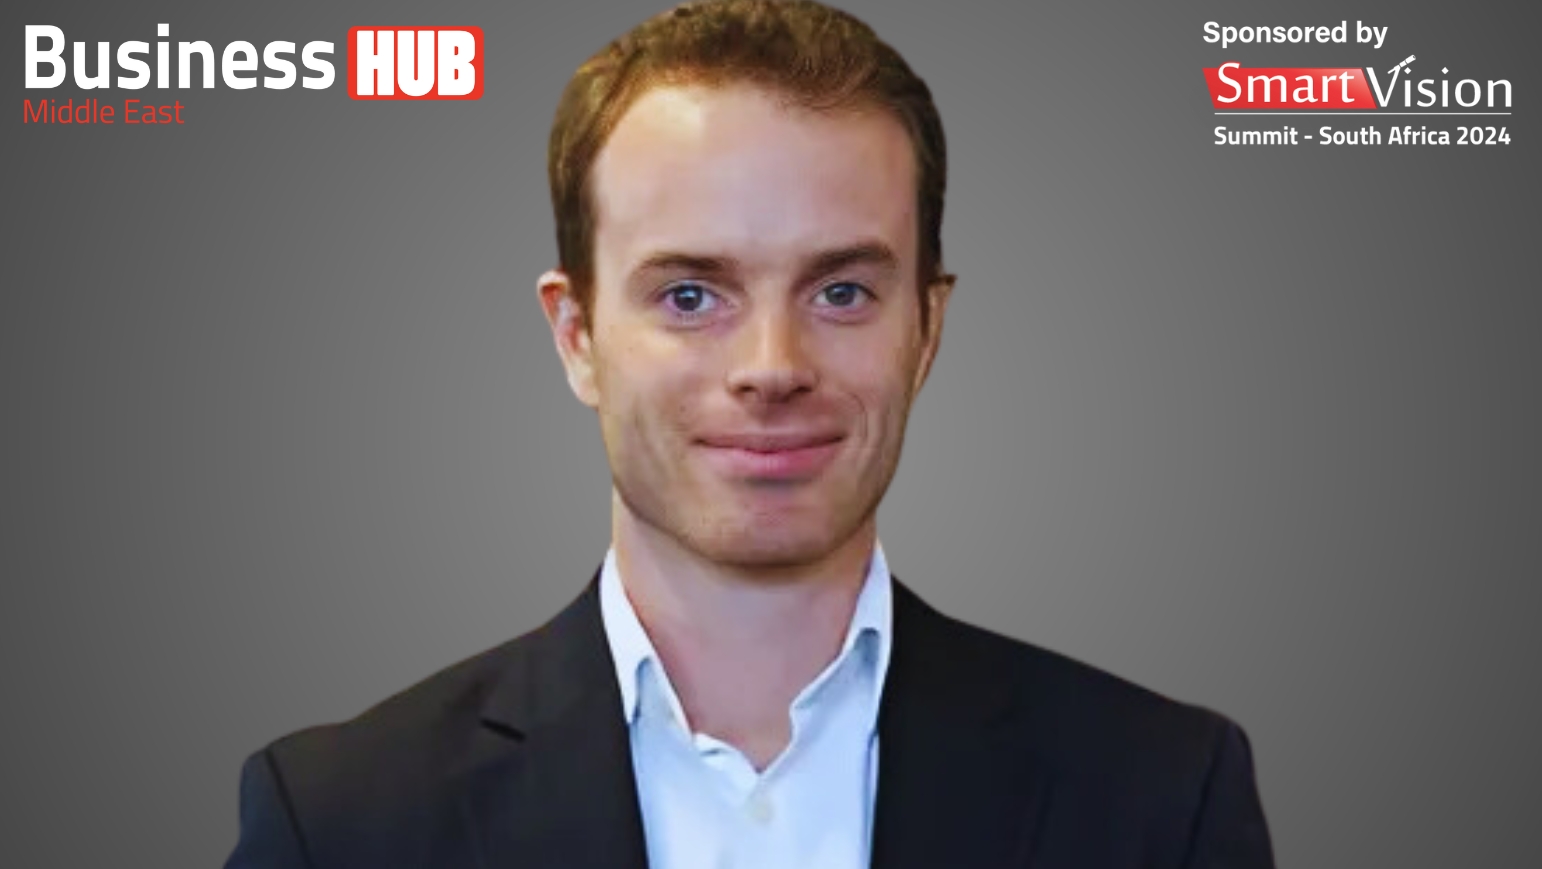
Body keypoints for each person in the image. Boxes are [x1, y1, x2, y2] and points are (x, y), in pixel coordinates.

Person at [224, 1, 1275, 866]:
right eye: (690, 295)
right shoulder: (340, 821)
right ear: (577, 334)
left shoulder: (1164, 796)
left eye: (842, 290)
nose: (772, 365)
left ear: (927, 328)